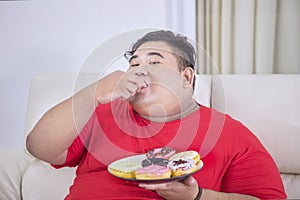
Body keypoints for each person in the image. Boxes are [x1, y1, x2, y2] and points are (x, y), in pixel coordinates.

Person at [26, 30, 286, 200]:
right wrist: (93, 93)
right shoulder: (102, 113)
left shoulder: (230, 133)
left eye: (155, 62)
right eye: (134, 64)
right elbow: (39, 148)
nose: (139, 70)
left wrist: (198, 196)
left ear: (186, 77)